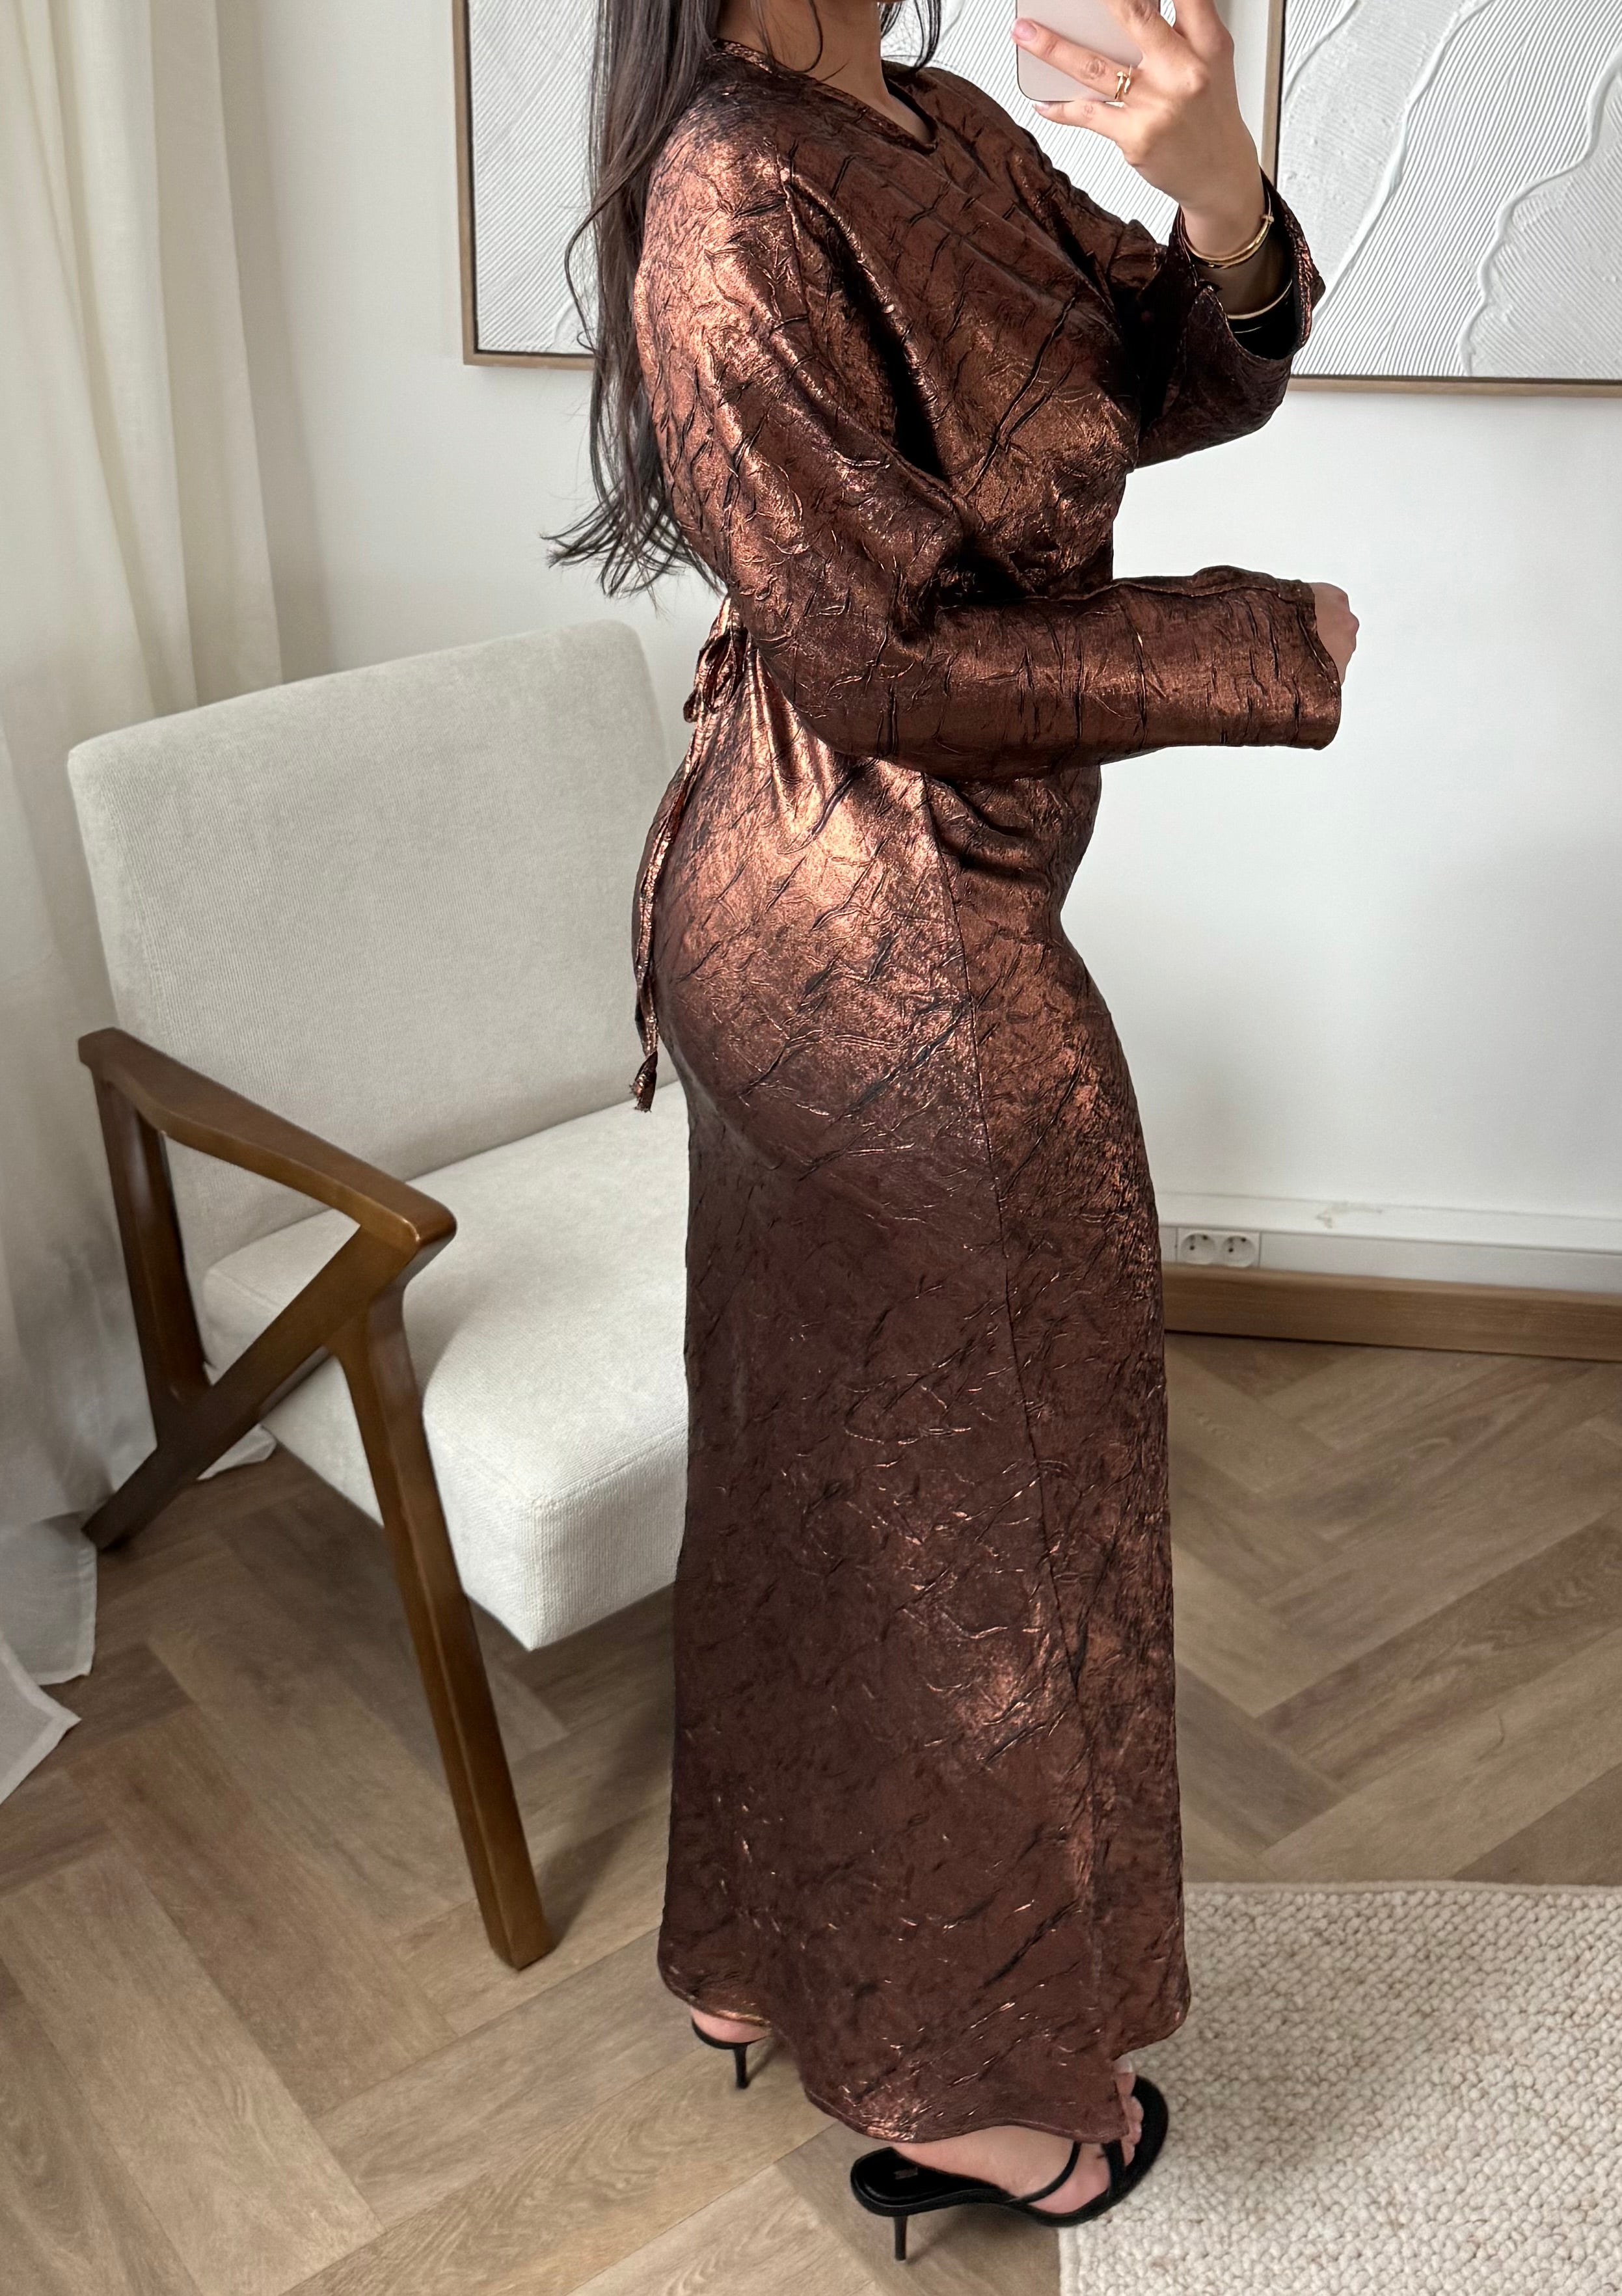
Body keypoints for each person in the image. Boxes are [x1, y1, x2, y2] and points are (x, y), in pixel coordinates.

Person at [549, 0, 1358, 2253]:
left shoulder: (932, 126)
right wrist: (1258, 647)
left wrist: (1219, 188)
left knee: (824, 1458)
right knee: (1006, 1492)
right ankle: (988, 2092)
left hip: (870, 900)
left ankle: (753, 1940)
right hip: (857, 935)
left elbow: (1167, 383)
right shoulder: (731, 195)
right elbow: (888, 662)